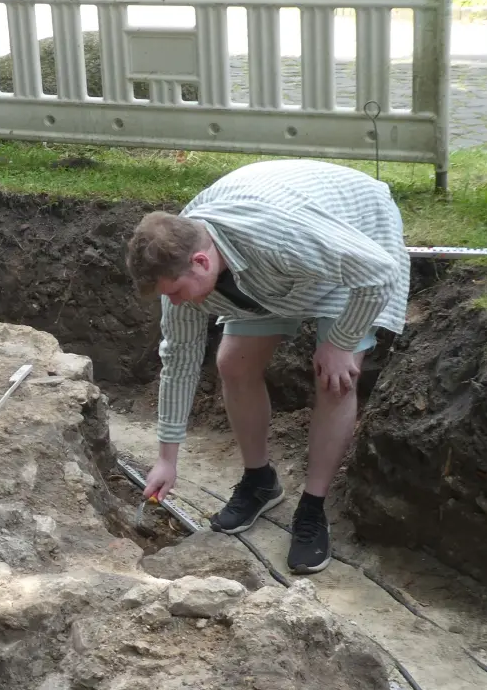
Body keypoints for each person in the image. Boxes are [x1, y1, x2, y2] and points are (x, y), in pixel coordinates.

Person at [126, 159, 409, 574]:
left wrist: (340, 343)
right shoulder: (183, 269)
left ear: (201, 264)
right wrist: (167, 458)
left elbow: (378, 273)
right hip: (263, 274)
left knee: (334, 379)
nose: (176, 303)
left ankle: (312, 509)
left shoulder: (280, 236)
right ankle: (260, 481)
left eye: (178, 293)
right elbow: (179, 362)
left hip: (351, 243)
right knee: (233, 364)